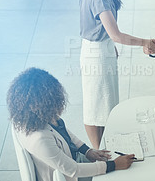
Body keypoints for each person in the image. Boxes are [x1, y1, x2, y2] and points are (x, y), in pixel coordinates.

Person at [79, 0, 155, 149]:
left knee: (105, 103)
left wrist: (107, 43)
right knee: (94, 107)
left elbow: (107, 33)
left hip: (100, 47)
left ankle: (105, 147)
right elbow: (118, 36)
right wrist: (145, 42)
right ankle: (98, 151)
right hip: (95, 53)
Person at [7, 68, 135, 181]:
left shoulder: (36, 116)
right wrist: (114, 165)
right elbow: (73, 170)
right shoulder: (39, 139)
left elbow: (64, 132)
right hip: (71, 175)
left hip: (73, 160)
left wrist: (87, 151)